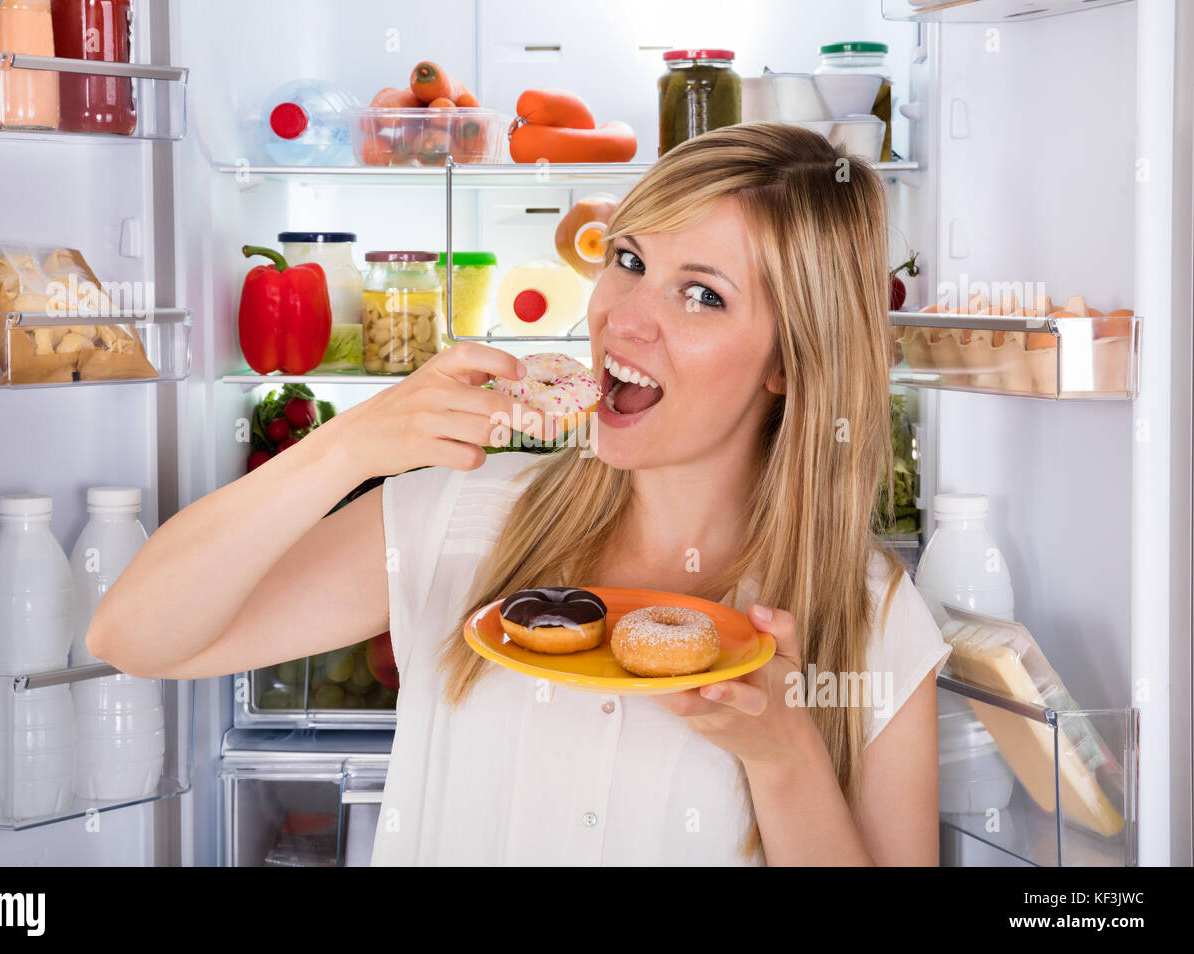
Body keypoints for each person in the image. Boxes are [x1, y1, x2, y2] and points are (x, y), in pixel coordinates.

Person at [88, 122, 949, 866]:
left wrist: (786, 757)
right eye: (629, 259)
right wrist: (351, 445)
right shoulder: (458, 514)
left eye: (701, 294)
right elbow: (133, 634)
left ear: (789, 364)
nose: (625, 317)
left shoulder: (870, 617)